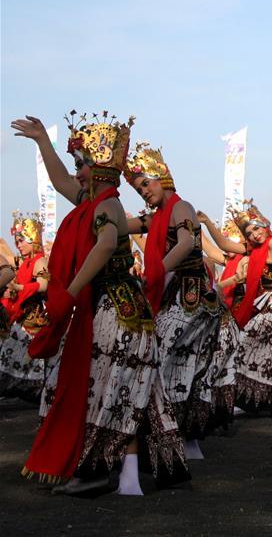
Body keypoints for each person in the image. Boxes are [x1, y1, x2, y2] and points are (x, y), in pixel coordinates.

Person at [12, 112, 188, 495]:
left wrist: (70, 292)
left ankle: (97, 471)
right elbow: (59, 181)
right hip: (117, 308)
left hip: (116, 311)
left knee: (107, 390)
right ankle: (126, 478)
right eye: (77, 164)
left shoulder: (107, 207)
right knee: (131, 390)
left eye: (82, 165)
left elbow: (106, 244)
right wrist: (43, 140)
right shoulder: (94, 202)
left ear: (101, 169)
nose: (76, 173)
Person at [125, 143, 223, 458]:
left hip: (191, 297)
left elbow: (184, 243)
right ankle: (188, 440)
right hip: (180, 296)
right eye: (138, 189)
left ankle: (161, 437)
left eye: (145, 184)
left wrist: (155, 272)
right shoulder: (157, 217)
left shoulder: (182, 208)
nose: (143, 192)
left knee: (157, 359)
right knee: (185, 367)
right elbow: (125, 225)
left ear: (162, 177)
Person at [203, 200, 272, 419]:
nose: (254, 235)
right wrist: (206, 224)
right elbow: (224, 245)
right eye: (249, 232)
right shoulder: (254, 249)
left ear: (265, 225)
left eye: (256, 228)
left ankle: (252, 402)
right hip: (270, 307)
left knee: (245, 343)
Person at [0, 212, 49, 402]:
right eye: (17, 241)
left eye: (21, 241)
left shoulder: (39, 261)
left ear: (33, 240)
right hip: (19, 317)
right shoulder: (24, 261)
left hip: (32, 321)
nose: (18, 245)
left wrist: (20, 287)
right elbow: (6, 261)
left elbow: (45, 283)